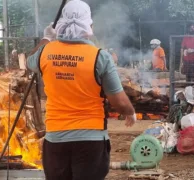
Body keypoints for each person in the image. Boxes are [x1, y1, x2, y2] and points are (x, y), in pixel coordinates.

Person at [27, 0, 136, 179]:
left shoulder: (45, 52)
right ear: (89, 25)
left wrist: (47, 38)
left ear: (60, 23)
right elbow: (120, 102)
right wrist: (130, 112)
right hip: (90, 140)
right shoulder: (100, 57)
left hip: (56, 139)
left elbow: (29, 60)